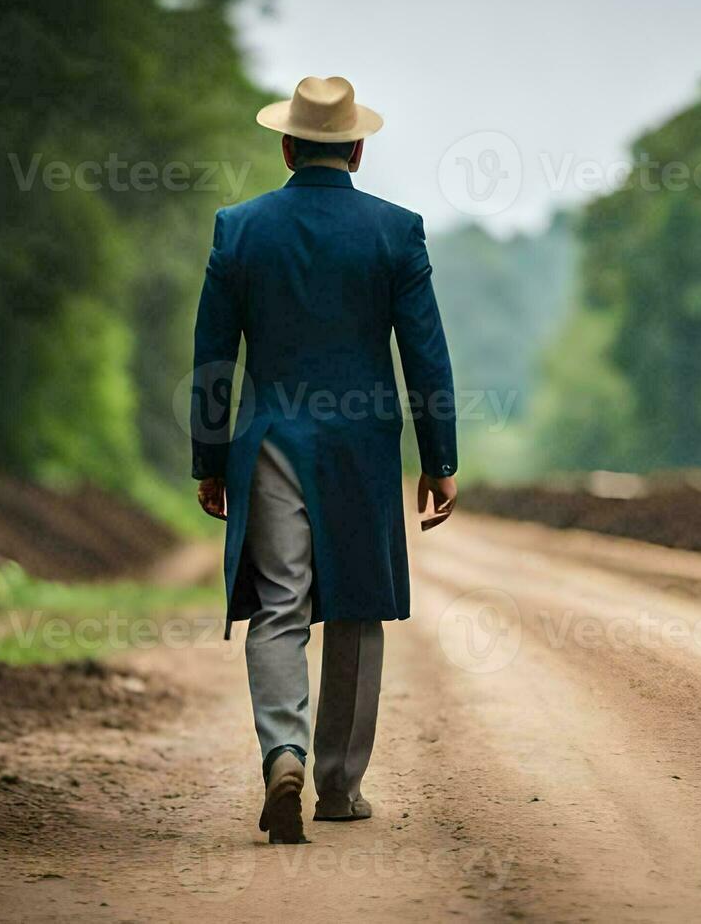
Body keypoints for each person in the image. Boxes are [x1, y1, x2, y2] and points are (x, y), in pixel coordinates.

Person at [190, 76, 458, 844]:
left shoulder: (237, 229)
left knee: (280, 606)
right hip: (361, 446)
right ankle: (339, 788)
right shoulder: (395, 232)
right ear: (358, 150)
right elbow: (425, 355)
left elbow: (214, 359)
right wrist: (439, 457)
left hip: (271, 437)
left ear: (285, 147)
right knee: (355, 605)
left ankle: (284, 751)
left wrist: (210, 458)